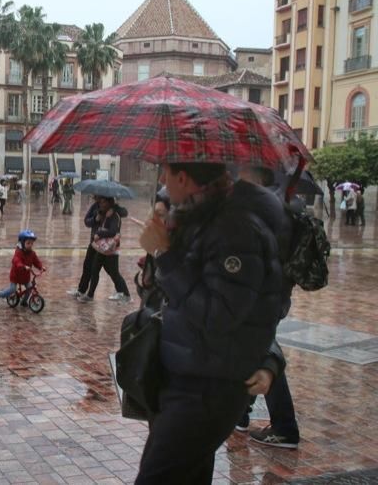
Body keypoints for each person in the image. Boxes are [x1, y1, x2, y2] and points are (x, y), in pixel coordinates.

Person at [135, 162, 287, 484]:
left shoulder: (234, 230)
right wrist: (163, 216)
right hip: (187, 374)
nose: (161, 181)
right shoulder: (200, 213)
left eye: (165, 172)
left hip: (207, 388)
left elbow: (220, 315)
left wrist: (163, 253)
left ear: (184, 178)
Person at [233, 166, 301, 449]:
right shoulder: (277, 204)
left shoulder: (268, 208)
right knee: (257, 350)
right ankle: (242, 414)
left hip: (264, 295)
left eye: (243, 171)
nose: (238, 175)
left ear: (257, 176)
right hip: (271, 292)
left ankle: (285, 427)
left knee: (266, 353)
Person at [77, 196, 131, 304]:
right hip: (101, 247)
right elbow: (88, 221)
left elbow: (113, 231)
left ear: (108, 203)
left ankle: (126, 294)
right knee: (94, 269)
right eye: (100, 202)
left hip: (111, 248)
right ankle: (90, 295)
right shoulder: (102, 212)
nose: (100, 204)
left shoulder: (114, 214)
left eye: (103, 202)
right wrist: (98, 218)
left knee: (113, 272)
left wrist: (99, 233)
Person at [0, 229, 44, 305]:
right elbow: (16, 261)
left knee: (30, 288)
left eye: (32, 243)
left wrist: (41, 267)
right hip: (16, 276)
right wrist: (23, 266)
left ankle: (24, 302)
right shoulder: (18, 253)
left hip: (25, 276)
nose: (30, 245)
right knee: (12, 289)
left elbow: (36, 261)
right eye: (28, 243)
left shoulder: (32, 253)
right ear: (22, 243)